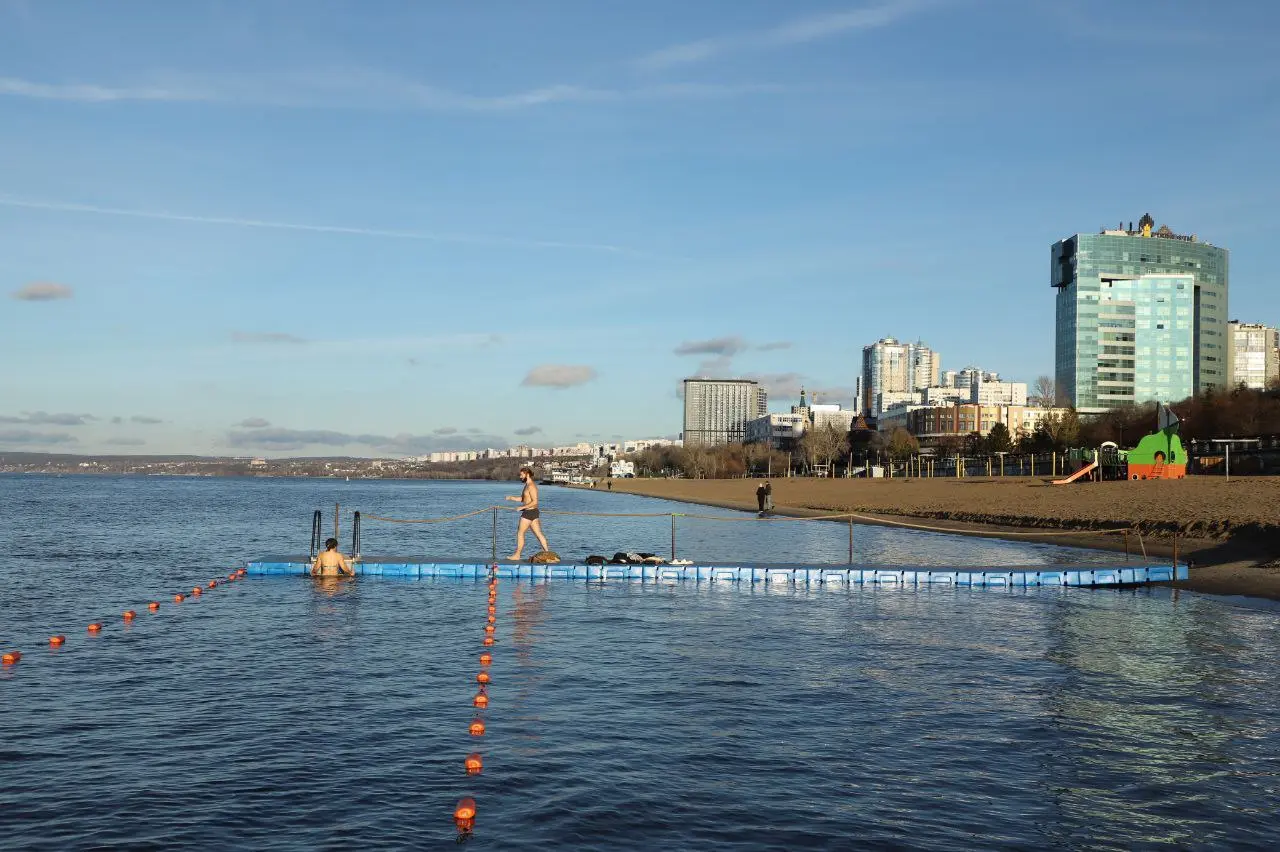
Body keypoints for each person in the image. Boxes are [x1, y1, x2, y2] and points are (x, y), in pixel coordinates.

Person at [505, 466, 550, 560]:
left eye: (521, 475)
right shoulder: (526, 485)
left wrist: (522, 507)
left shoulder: (531, 486)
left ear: (527, 474)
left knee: (520, 533)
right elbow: (523, 499)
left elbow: (535, 502)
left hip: (529, 512)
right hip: (532, 512)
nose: (520, 477)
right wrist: (511, 498)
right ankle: (547, 553)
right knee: (538, 534)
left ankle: (517, 555)